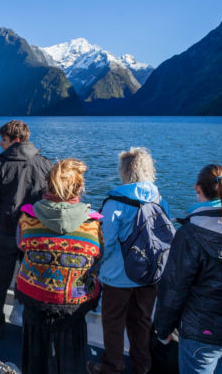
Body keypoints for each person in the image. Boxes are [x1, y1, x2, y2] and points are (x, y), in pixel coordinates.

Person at [154, 164, 222, 374]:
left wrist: (163, 328)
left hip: (200, 331)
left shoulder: (190, 234)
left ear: (197, 189)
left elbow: (173, 288)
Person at [15, 158, 104, 374]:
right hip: (75, 300)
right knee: (72, 361)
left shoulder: (27, 218)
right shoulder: (93, 225)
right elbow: (99, 256)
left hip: (34, 295)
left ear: (48, 185)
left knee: (35, 361)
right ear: (79, 188)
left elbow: (20, 245)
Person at [88, 147, 172, 374]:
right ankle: (142, 366)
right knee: (142, 323)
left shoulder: (115, 201)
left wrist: (96, 268)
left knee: (113, 323)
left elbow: (107, 242)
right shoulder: (159, 199)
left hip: (118, 277)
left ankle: (112, 368)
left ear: (124, 171)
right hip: (149, 276)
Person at [0, 120, 51, 341]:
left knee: (0, 279)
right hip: (34, 234)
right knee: (33, 280)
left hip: (7, 231)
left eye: (4, 140)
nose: (0, 144)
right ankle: (29, 325)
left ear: (16, 141)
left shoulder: (0, 164)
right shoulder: (45, 164)